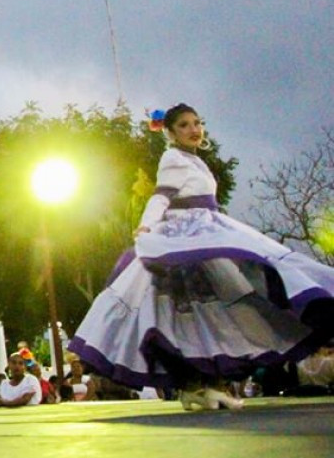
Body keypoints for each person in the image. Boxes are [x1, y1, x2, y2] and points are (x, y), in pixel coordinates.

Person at [68, 104, 334, 411]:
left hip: (206, 228)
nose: (194, 129)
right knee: (198, 309)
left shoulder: (194, 160)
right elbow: (161, 196)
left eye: (196, 123)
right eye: (184, 125)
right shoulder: (172, 157)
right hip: (188, 233)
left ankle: (200, 385)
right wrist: (146, 225)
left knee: (211, 309)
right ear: (170, 132)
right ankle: (197, 383)